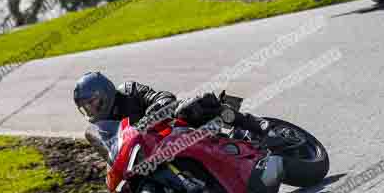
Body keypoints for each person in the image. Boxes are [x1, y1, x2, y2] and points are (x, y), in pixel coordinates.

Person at [73, 71, 275, 141]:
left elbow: (160, 96)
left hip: (172, 124)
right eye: (86, 107)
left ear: (104, 92)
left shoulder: (128, 90)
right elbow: (112, 153)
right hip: (152, 148)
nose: (91, 110)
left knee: (194, 105)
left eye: (92, 102)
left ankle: (255, 123)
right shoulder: (103, 126)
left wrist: (155, 111)